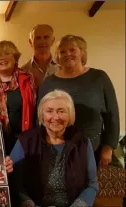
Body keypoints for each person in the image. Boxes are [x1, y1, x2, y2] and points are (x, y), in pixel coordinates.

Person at [38, 35, 119, 167]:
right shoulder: (48, 83)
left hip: (94, 151)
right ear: (57, 56)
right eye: (62, 51)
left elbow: (112, 115)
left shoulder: (99, 78)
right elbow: (40, 119)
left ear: (82, 52)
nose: (67, 54)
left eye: (72, 50)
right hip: (58, 152)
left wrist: (108, 147)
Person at [10, 90, 98, 207]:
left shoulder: (83, 143)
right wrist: (28, 203)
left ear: (70, 115)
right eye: (49, 111)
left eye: (61, 111)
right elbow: (15, 183)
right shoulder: (25, 141)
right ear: (42, 115)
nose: (55, 117)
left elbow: (92, 185)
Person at [21, 24, 59, 88]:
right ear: (31, 42)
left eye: (46, 37)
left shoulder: (62, 67)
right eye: (38, 38)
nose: (42, 41)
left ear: (52, 41)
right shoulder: (24, 70)